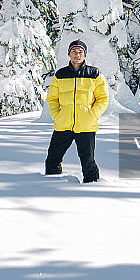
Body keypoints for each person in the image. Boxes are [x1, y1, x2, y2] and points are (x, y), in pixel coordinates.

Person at [45, 39, 109, 183]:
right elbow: (52, 98)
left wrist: (92, 115)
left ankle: (93, 188)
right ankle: (49, 187)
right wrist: (57, 114)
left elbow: (103, 98)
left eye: (80, 52)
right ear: (69, 54)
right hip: (63, 124)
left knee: (88, 162)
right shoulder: (60, 75)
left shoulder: (94, 74)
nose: (77, 55)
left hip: (86, 125)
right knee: (52, 159)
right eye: (74, 51)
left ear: (85, 55)